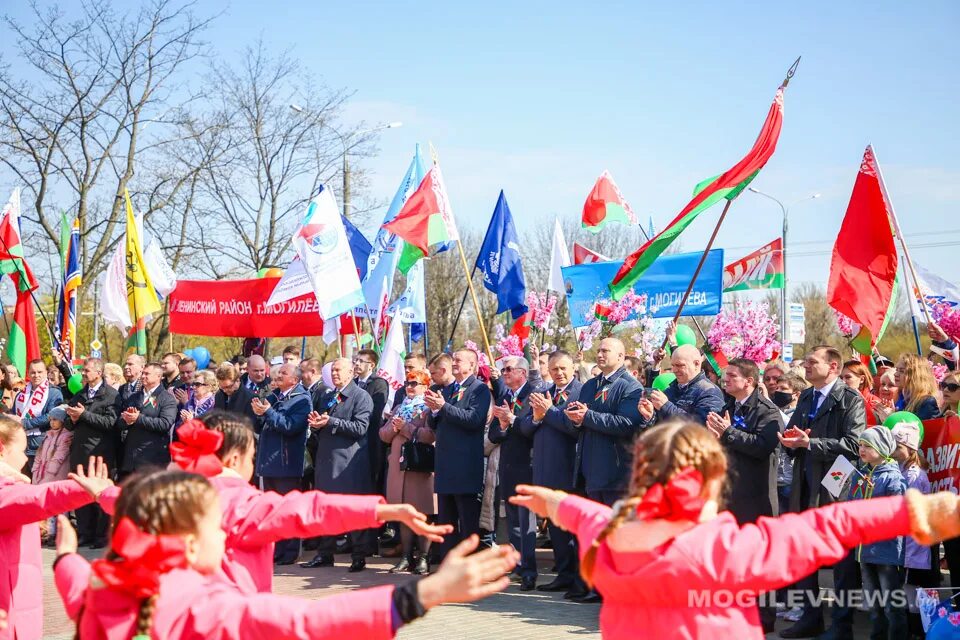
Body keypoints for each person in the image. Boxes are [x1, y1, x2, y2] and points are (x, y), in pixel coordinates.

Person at [509, 421, 960, 640]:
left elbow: (586, 516)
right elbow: (826, 524)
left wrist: (555, 502)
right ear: (714, 479)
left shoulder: (608, 537)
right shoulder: (725, 552)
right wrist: (912, 513)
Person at [54, 469, 518, 640]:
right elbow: (309, 623)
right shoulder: (210, 607)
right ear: (191, 543)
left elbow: (73, 584)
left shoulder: (106, 582)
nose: (225, 532)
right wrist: (426, 592)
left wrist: (66, 556)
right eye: (214, 524)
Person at [97, 412, 450, 594]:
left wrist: (98, 492)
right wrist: (383, 509)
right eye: (252, 454)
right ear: (235, 458)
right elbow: (309, 510)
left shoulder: (168, 492)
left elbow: (126, 499)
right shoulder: (243, 503)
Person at [777, 345, 866, 638]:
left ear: (834, 366)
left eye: (813, 362)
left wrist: (810, 444)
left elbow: (854, 446)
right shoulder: (805, 396)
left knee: (841, 560)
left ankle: (841, 626)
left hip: (836, 485)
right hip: (805, 482)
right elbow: (795, 432)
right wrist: (790, 440)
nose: (806, 366)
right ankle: (810, 617)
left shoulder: (849, 399)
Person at [0, 417, 113, 640]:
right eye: (22, 451)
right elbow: (38, 498)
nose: (25, 458)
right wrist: (84, 490)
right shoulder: (6, 489)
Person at [519, 349, 587, 599]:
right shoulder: (544, 392)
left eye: (563, 369)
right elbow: (525, 428)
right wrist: (537, 418)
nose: (558, 373)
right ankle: (564, 574)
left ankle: (579, 579)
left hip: (569, 470)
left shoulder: (581, 391)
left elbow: (573, 427)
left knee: (571, 528)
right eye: (554, 368)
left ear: (573, 369)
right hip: (544, 469)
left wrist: (549, 412)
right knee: (555, 527)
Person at [302, 358, 375, 571]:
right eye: (332, 370)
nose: (334, 374)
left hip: (348, 463)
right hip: (327, 460)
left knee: (350, 508)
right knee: (325, 507)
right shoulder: (329, 395)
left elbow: (360, 428)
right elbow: (326, 421)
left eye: (338, 370)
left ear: (351, 372)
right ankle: (325, 553)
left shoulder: (361, 397)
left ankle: (359, 555)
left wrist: (330, 422)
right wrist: (316, 424)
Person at [423, 348, 491, 559]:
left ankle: (468, 567)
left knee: (467, 519)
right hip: (445, 463)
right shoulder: (447, 389)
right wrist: (434, 411)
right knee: (446, 520)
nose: (454, 363)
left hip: (465, 464)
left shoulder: (479, 390)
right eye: (453, 360)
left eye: (459, 361)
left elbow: (473, 420)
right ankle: (447, 565)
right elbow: (435, 423)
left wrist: (443, 407)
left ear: (471, 365)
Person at [570, 338, 643, 506]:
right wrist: (576, 420)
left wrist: (587, 416)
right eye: (598, 351)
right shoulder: (589, 385)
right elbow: (582, 422)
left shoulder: (631, 387)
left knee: (614, 530)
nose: (600, 355)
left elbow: (627, 424)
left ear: (620, 356)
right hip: (590, 473)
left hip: (615, 476)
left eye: (605, 351)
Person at [251, 362, 312, 566]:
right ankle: (276, 549)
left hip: (287, 463)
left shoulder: (302, 400)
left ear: (294, 379)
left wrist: (267, 412)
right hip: (269, 461)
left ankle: (291, 550)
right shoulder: (275, 395)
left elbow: (290, 427)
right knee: (273, 510)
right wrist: (259, 413)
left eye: (283, 374)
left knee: (288, 508)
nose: (277, 376)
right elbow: (263, 422)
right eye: (278, 373)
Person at [850, 427, 907, 639]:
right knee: (874, 603)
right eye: (860, 445)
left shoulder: (893, 478)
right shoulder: (860, 474)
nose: (861, 449)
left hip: (886, 551)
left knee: (892, 603)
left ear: (882, 449)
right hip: (864, 550)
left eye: (867, 446)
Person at [488, 356, 539, 591]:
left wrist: (513, 420)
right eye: (503, 370)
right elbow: (494, 435)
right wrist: (503, 426)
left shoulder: (533, 394)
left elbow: (531, 428)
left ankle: (529, 570)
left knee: (526, 521)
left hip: (527, 465)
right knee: (513, 522)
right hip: (507, 466)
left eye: (508, 369)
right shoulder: (505, 396)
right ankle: (518, 565)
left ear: (522, 372)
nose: (504, 373)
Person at [380, 370, 437, 575]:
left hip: (419, 468)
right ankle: (405, 557)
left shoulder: (428, 409)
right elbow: (384, 435)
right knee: (404, 514)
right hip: (399, 467)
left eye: (415, 383)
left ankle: (423, 557)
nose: (410, 387)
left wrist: (405, 427)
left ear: (425, 387)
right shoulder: (399, 407)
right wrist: (395, 427)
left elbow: (429, 436)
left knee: (422, 513)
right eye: (407, 383)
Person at [64, 357, 119, 548]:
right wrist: (71, 417)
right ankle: (85, 533)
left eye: (86, 371)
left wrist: (84, 415)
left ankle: (101, 537)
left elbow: (110, 423)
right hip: (80, 451)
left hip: (100, 453)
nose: (83, 374)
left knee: (99, 495)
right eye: (83, 371)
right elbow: (68, 424)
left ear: (98, 372)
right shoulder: (79, 395)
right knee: (80, 493)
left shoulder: (111, 395)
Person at [890, 421, 938, 637]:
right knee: (908, 588)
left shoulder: (915, 475)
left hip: (912, 541)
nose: (893, 449)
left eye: (898, 446)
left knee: (912, 590)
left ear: (910, 449)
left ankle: (917, 629)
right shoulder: (901, 468)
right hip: (905, 540)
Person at [117, 363, 178, 477]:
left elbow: (165, 424)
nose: (143, 376)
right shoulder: (133, 397)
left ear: (158, 376)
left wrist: (138, 418)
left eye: (147, 374)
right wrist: (126, 421)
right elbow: (119, 422)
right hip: (132, 458)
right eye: (142, 373)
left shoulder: (166, 398)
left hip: (152, 459)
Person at [641, 344, 724, 426]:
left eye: (680, 365)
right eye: (673, 365)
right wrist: (650, 417)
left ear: (696, 364)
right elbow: (662, 426)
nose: (674, 370)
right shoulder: (670, 390)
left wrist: (666, 406)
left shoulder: (710, 392)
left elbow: (700, 427)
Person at [10, 359, 63, 476]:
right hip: (20, 444)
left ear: (46, 373)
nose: (36, 375)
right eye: (33, 372)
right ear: (28, 373)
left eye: (40, 372)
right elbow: (14, 414)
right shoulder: (21, 393)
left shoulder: (54, 393)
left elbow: (51, 416)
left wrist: (25, 423)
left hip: (40, 444)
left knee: (38, 480)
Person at [30, 407, 73, 542]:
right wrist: (35, 470)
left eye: (55, 419)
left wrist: (49, 473)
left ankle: (60, 531)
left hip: (57, 474)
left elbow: (60, 455)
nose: (52, 422)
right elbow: (39, 454)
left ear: (62, 420)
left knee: (60, 505)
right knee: (48, 505)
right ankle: (49, 532)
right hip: (44, 473)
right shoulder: (48, 435)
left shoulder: (67, 435)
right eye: (50, 420)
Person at [354, 349, 391, 494]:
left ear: (371, 365)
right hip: (354, 438)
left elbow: (374, 413)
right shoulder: (353, 382)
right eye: (355, 360)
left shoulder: (378, 383)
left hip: (371, 437)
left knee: (372, 478)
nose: (356, 364)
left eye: (361, 361)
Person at [772, 372, 809, 516]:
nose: (778, 392)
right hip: (776, 478)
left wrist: (769, 405)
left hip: (790, 479)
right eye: (777, 388)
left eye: (783, 389)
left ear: (796, 394)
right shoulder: (777, 411)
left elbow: (789, 429)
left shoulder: (800, 415)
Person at [892, 353, 940, 420]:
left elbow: (917, 429)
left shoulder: (927, 402)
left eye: (902, 371)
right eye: (896, 370)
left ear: (915, 375)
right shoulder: (901, 398)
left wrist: (891, 417)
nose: (895, 374)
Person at [841, 359, 885, 425]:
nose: (843, 381)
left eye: (848, 377)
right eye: (840, 378)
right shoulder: (836, 399)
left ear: (862, 379)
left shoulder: (875, 403)